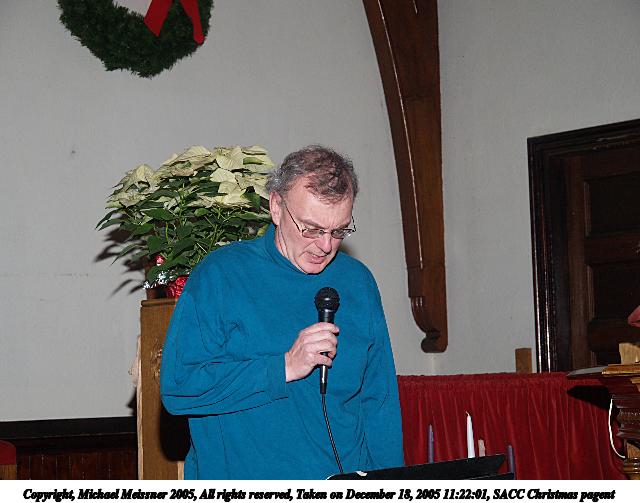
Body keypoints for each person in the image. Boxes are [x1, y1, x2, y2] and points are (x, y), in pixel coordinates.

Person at [160, 145, 404, 479]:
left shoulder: (358, 282)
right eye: (311, 229)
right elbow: (179, 389)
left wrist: (391, 486)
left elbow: (379, 402)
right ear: (276, 207)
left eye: (339, 231)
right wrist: (283, 367)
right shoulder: (221, 276)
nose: (325, 246)